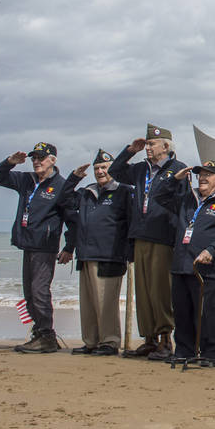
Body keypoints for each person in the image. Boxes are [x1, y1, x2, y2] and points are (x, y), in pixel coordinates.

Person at [152, 160, 215, 367]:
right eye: (200, 174)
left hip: (209, 269)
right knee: (182, 312)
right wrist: (174, 179)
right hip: (182, 265)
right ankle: (185, 351)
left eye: (208, 174)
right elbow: (159, 196)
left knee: (210, 314)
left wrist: (212, 250)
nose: (202, 177)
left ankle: (211, 355)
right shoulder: (187, 199)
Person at [108, 124, 187, 361]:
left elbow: (183, 204)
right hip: (140, 235)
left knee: (160, 289)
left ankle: (165, 338)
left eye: (152, 144)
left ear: (166, 146)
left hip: (163, 235)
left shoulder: (178, 169)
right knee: (142, 290)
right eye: (147, 144)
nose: (148, 148)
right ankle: (149, 339)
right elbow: (116, 171)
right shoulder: (141, 169)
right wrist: (130, 151)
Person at [0, 142, 73, 354]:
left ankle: (46, 335)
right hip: (27, 243)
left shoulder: (61, 185)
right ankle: (40, 333)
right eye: (33, 158)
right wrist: (10, 162)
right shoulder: (26, 180)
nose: (36, 161)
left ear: (53, 160)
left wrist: (69, 247)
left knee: (39, 291)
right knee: (30, 293)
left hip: (45, 246)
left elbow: (71, 219)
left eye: (41, 158)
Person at [60, 150, 134, 357]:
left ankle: (109, 341)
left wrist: (129, 252)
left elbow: (131, 222)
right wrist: (74, 178)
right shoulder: (86, 192)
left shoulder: (124, 191)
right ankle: (91, 341)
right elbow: (64, 200)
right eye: (97, 169)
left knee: (105, 303)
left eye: (104, 168)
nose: (100, 172)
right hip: (85, 255)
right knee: (89, 303)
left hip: (109, 256)